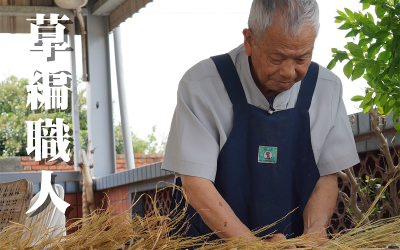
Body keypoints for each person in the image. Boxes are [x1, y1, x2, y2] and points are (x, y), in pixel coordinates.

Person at [161, 0, 359, 246]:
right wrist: (251, 244)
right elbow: (195, 183)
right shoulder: (201, 85)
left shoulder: (327, 88)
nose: (289, 72)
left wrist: (315, 231)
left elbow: (325, 175)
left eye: (302, 58)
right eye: (277, 58)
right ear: (250, 41)